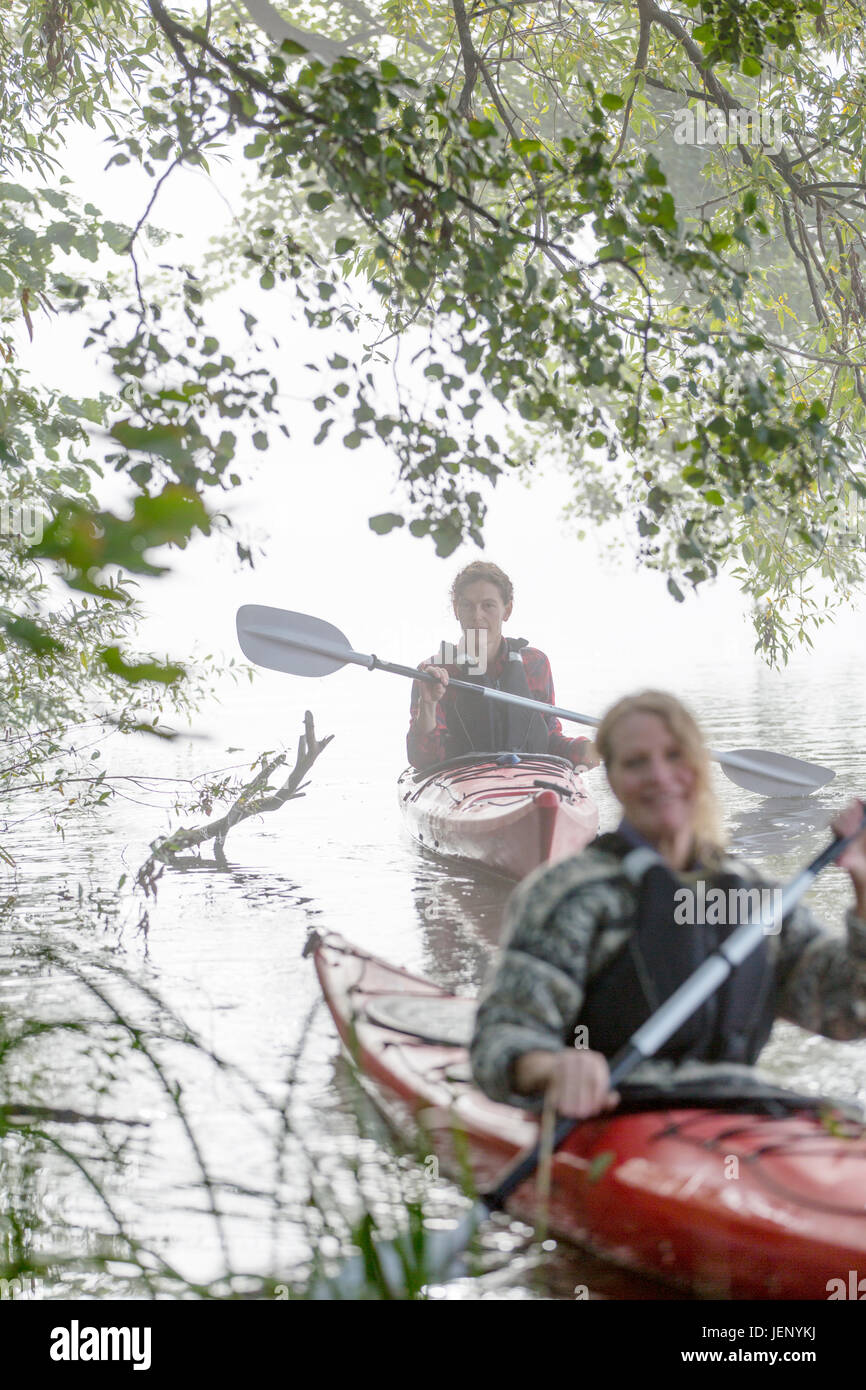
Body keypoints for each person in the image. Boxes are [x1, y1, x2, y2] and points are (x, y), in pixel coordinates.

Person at [470, 689, 866, 1119]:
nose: (659, 776)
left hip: (732, 1122)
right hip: (612, 1122)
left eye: (674, 755)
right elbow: (500, 1041)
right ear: (615, 779)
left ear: (698, 768)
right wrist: (549, 1067)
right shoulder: (570, 894)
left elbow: (846, 1011)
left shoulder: (754, 899)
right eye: (636, 762)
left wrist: (864, 884)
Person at [406, 561, 598, 771]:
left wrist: (594, 749)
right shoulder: (433, 670)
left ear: (507, 610)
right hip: (464, 787)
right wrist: (428, 704)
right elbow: (423, 760)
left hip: (528, 780)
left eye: (488, 605)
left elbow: (549, 739)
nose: (476, 615)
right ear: (456, 610)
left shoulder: (534, 664)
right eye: (467, 605)